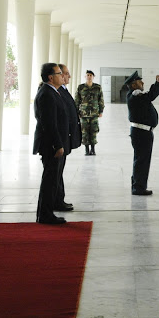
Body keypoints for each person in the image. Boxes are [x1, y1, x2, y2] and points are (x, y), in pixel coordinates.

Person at [33, 63, 70, 225]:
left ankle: (47, 213)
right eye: (59, 73)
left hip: (54, 143)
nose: (62, 75)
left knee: (52, 180)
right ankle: (45, 215)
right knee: (49, 181)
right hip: (51, 146)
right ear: (50, 77)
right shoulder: (47, 94)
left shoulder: (53, 92)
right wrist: (57, 145)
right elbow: (49, 123)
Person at [125, 71, 159, 196]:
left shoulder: (135, 95)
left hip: (142, 132)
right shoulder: (135, 95)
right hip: (141, 133)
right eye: (139, 81)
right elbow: (151, 95)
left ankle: (137, 185)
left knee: (141, 160)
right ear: (134, 85)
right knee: (142, 160)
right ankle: (138, 187)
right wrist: (158, 84)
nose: (142, 83)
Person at [55, 64, 82, 212]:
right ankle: (56, 201)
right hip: (59, 140)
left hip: (65, 139)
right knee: (56, 172)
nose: (68, 76)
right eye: (66, 73)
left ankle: (59, 199)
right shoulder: (55, 92)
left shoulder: (62, 90)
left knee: (59, 171)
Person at [75, 70, 104, 155]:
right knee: (84, 132)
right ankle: (86, 149)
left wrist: (101, 111)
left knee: (93, 131)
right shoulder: (81, 87)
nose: (89, 76)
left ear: (93, 77)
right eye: (88, 75)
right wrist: (77, 112)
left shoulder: (97, 87)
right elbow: (77, 100)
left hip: (94, 114)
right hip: (83, 114)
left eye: (91, 75)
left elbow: (101, 100)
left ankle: (93, 149)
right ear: (85, 77)